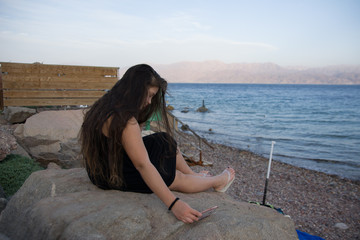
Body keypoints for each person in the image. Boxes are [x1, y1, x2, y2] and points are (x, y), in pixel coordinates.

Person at [80, 64, 235, 224]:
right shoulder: (124, 120)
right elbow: (143, 165)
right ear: (134, 90)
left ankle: (193, 174)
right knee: (171, 176)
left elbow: (128, 142)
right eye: (148, 95)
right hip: (112, 175)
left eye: (152, 97)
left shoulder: (105, 106)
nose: (149, 102)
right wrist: (174, 204)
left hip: (102, 167)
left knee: (163, 140)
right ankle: (218, 181)